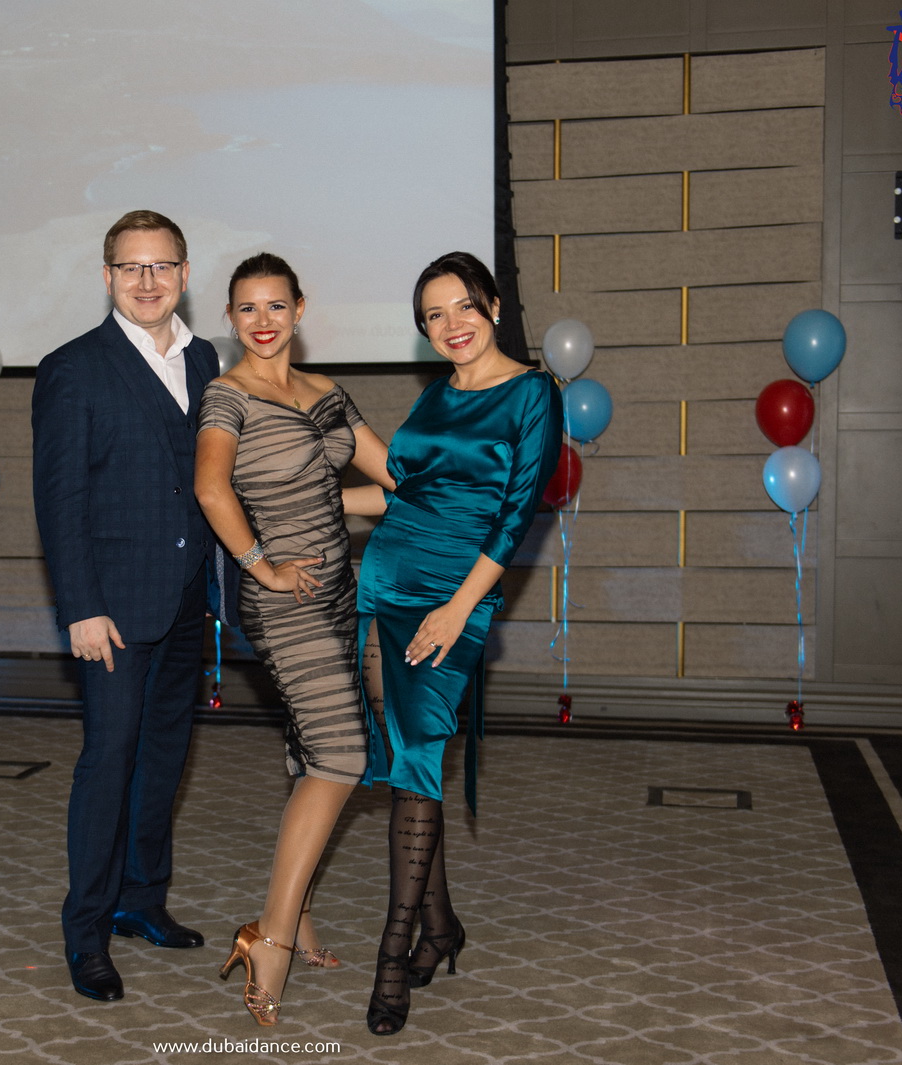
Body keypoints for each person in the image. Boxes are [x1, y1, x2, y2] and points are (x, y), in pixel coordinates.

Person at [347, 251, 562, 1036]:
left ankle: (393, 953)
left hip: (454, 599)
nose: (452, 324)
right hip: (386, 582)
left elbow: (515, 515)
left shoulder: (534, 393)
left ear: (494, 305)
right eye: (434, 315)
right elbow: (404, 493)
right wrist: (316, 499)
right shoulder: (437, 395)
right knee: (408, 756)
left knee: (417, 754)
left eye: (464, 305)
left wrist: (457, 609)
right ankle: (442, 929)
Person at [195, 253, 394, 1026]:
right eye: (247, 308)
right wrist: (262, 566)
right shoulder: (228, 395)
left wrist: (341, 502)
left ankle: (299, 912)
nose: (263, 321)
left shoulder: (326, 393)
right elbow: (211, 486)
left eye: (276, 305)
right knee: (343, 753)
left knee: (314, 749)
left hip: (341, 593)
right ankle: (270, 936)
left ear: (300, 309)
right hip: (282, 602)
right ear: (231, 317)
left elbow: (392, 481)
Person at [32, 210, 220, 1003]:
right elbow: (60, 499)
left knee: (164, 757)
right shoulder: (73, 367)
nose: (148, 281)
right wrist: (79, 606)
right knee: (108, 760)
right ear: (108, 276)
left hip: (185, 598)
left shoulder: (205, 358)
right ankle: (86, 930)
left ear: (184, 274)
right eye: (132, 267)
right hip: (110, 607)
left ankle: (142, 900)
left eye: (162, 265)